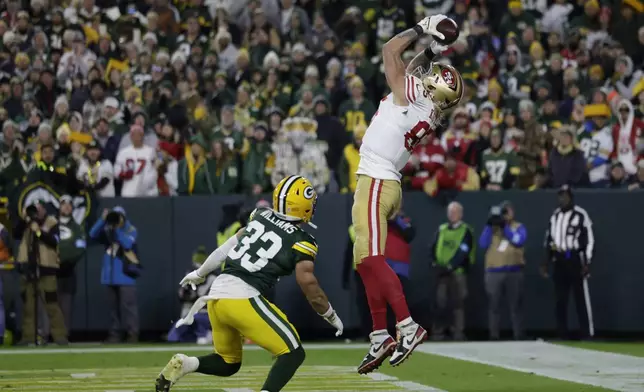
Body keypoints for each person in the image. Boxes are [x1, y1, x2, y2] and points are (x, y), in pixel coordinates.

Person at [155, 176, 343, 392]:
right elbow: (309, 285)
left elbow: (224, 249)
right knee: (293, 353)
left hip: (216, 296)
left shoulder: (260, 216)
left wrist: (200, 273)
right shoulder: (303, 241)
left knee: (228, 362)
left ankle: (186, 364)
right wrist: (330, 314)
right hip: (241, 297)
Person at [351, 14, 464, 374]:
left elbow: (390, 52)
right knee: (365, 262)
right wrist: (432, 49)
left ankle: (407, 326)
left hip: (377, 179)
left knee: (370, 260)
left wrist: (421, 27)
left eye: (431, 79)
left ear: (434, 89)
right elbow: (413, 68)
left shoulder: (416, 98)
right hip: (384, 179)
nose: (426, 77)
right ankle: (380, 334)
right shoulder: (425, 106)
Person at [542, 185, 595, 339]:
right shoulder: (555, 216)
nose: (562, 199)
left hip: (574, 258)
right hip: (559, 258)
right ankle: (561, 332)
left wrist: (587, 262)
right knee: (560, 299)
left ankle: (587, 332)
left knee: (581, 298)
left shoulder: (580, 214)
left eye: (565, 196)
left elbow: (589, 239)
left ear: (571, 197)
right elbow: (549, 239)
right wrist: (546, 260)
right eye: (560, 196)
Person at [15, 201, 68, 345]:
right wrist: (24, 218)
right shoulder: (26, 223)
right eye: (34, 209)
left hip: (46, 269)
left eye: (39, 209)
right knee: (28, 307)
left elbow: (54, 241)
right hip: (28, 269)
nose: (36, 212)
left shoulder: (52, 223)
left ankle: (60, 336)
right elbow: (15, 233)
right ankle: (28, 337)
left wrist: (38, 231)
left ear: (44, 210)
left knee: (52, 305)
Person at [89, 206, 141, 343]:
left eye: (118, 217)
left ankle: (132, 334)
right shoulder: (107, 230)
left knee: (129, 307)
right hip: (110, 276)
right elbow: (92, 235)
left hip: (125, 276)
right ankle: (114, 334)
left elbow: (128, 243)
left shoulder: (130, 229)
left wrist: (117, 229)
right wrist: (102, 220)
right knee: (113, 309)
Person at [478, 201, 527, 340]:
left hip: (514, 271)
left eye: (508, 211)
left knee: (516, 305)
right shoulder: (492, 229)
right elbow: (482, 244)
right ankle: (494, 335)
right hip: (494, 272)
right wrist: (489, 224)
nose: (505, 214)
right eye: (503, 212)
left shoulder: (518, 227)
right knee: (493, 306)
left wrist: (504, 226)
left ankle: (518, 335)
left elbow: (518, 240)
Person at [430, 201, 474, 341]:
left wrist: (451, 266)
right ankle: (438, 332)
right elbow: (433, 246)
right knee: (440, 302)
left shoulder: (466, 230)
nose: (452, 214)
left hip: (457, 272)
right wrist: (434, 262)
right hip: (441, 272)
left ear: (460, 214)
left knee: (458, 303)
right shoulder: (441, 229)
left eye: (455, 212)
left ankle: (458, 332)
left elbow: (464, 251)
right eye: (450, 212)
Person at [167, 246, 216, 344]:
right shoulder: (190, 274)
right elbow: (182, 296)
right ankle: (196, 336)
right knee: (173, 336)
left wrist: (195, 294)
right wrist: (188, 292)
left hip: (207, 313)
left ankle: (207, 333)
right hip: (190, 313)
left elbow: (205, 298)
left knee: (199, 318)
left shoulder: (213, 278)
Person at [56, 195, 87, 332]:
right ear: (59, 206)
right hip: (52, 271)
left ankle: (64, 335)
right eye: (64, 203)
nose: (67, 206)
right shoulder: (51, 224)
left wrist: (65, 261)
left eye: (69, 204)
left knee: (66, 306)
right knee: (51, 305)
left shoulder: (77, 227)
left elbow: (80, 248)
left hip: (68, 271)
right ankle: (47, 335)